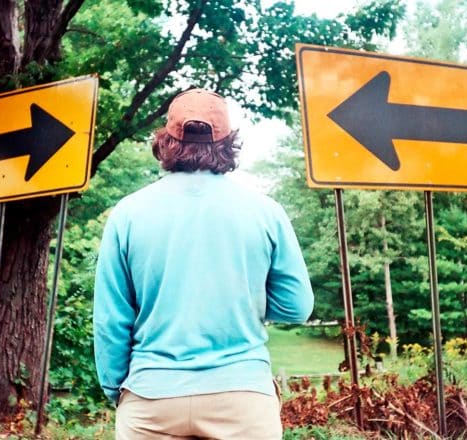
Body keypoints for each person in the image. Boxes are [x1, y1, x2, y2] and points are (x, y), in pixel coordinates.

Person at [93, 88, 314, 439]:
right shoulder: (265, 212)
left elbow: (111, 319)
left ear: (166, 139)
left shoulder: (128, 214)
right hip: (243, 398)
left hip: (152, 396)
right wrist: (240, 295)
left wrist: (116, 389)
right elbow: (297, 306)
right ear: (228, 142)